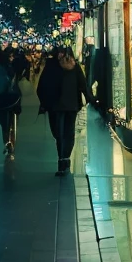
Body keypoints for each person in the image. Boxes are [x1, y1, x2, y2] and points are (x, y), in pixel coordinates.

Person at [37, 45, 90, 175]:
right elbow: (83, 85)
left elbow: (41, 87)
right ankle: (65, 159)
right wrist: (90, 99)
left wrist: (44, 103)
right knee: (68, 133)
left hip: (56, 107)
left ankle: (62, 160)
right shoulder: (75, 67)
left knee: (59, 134)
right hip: (71, 106)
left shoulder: (51, 66)